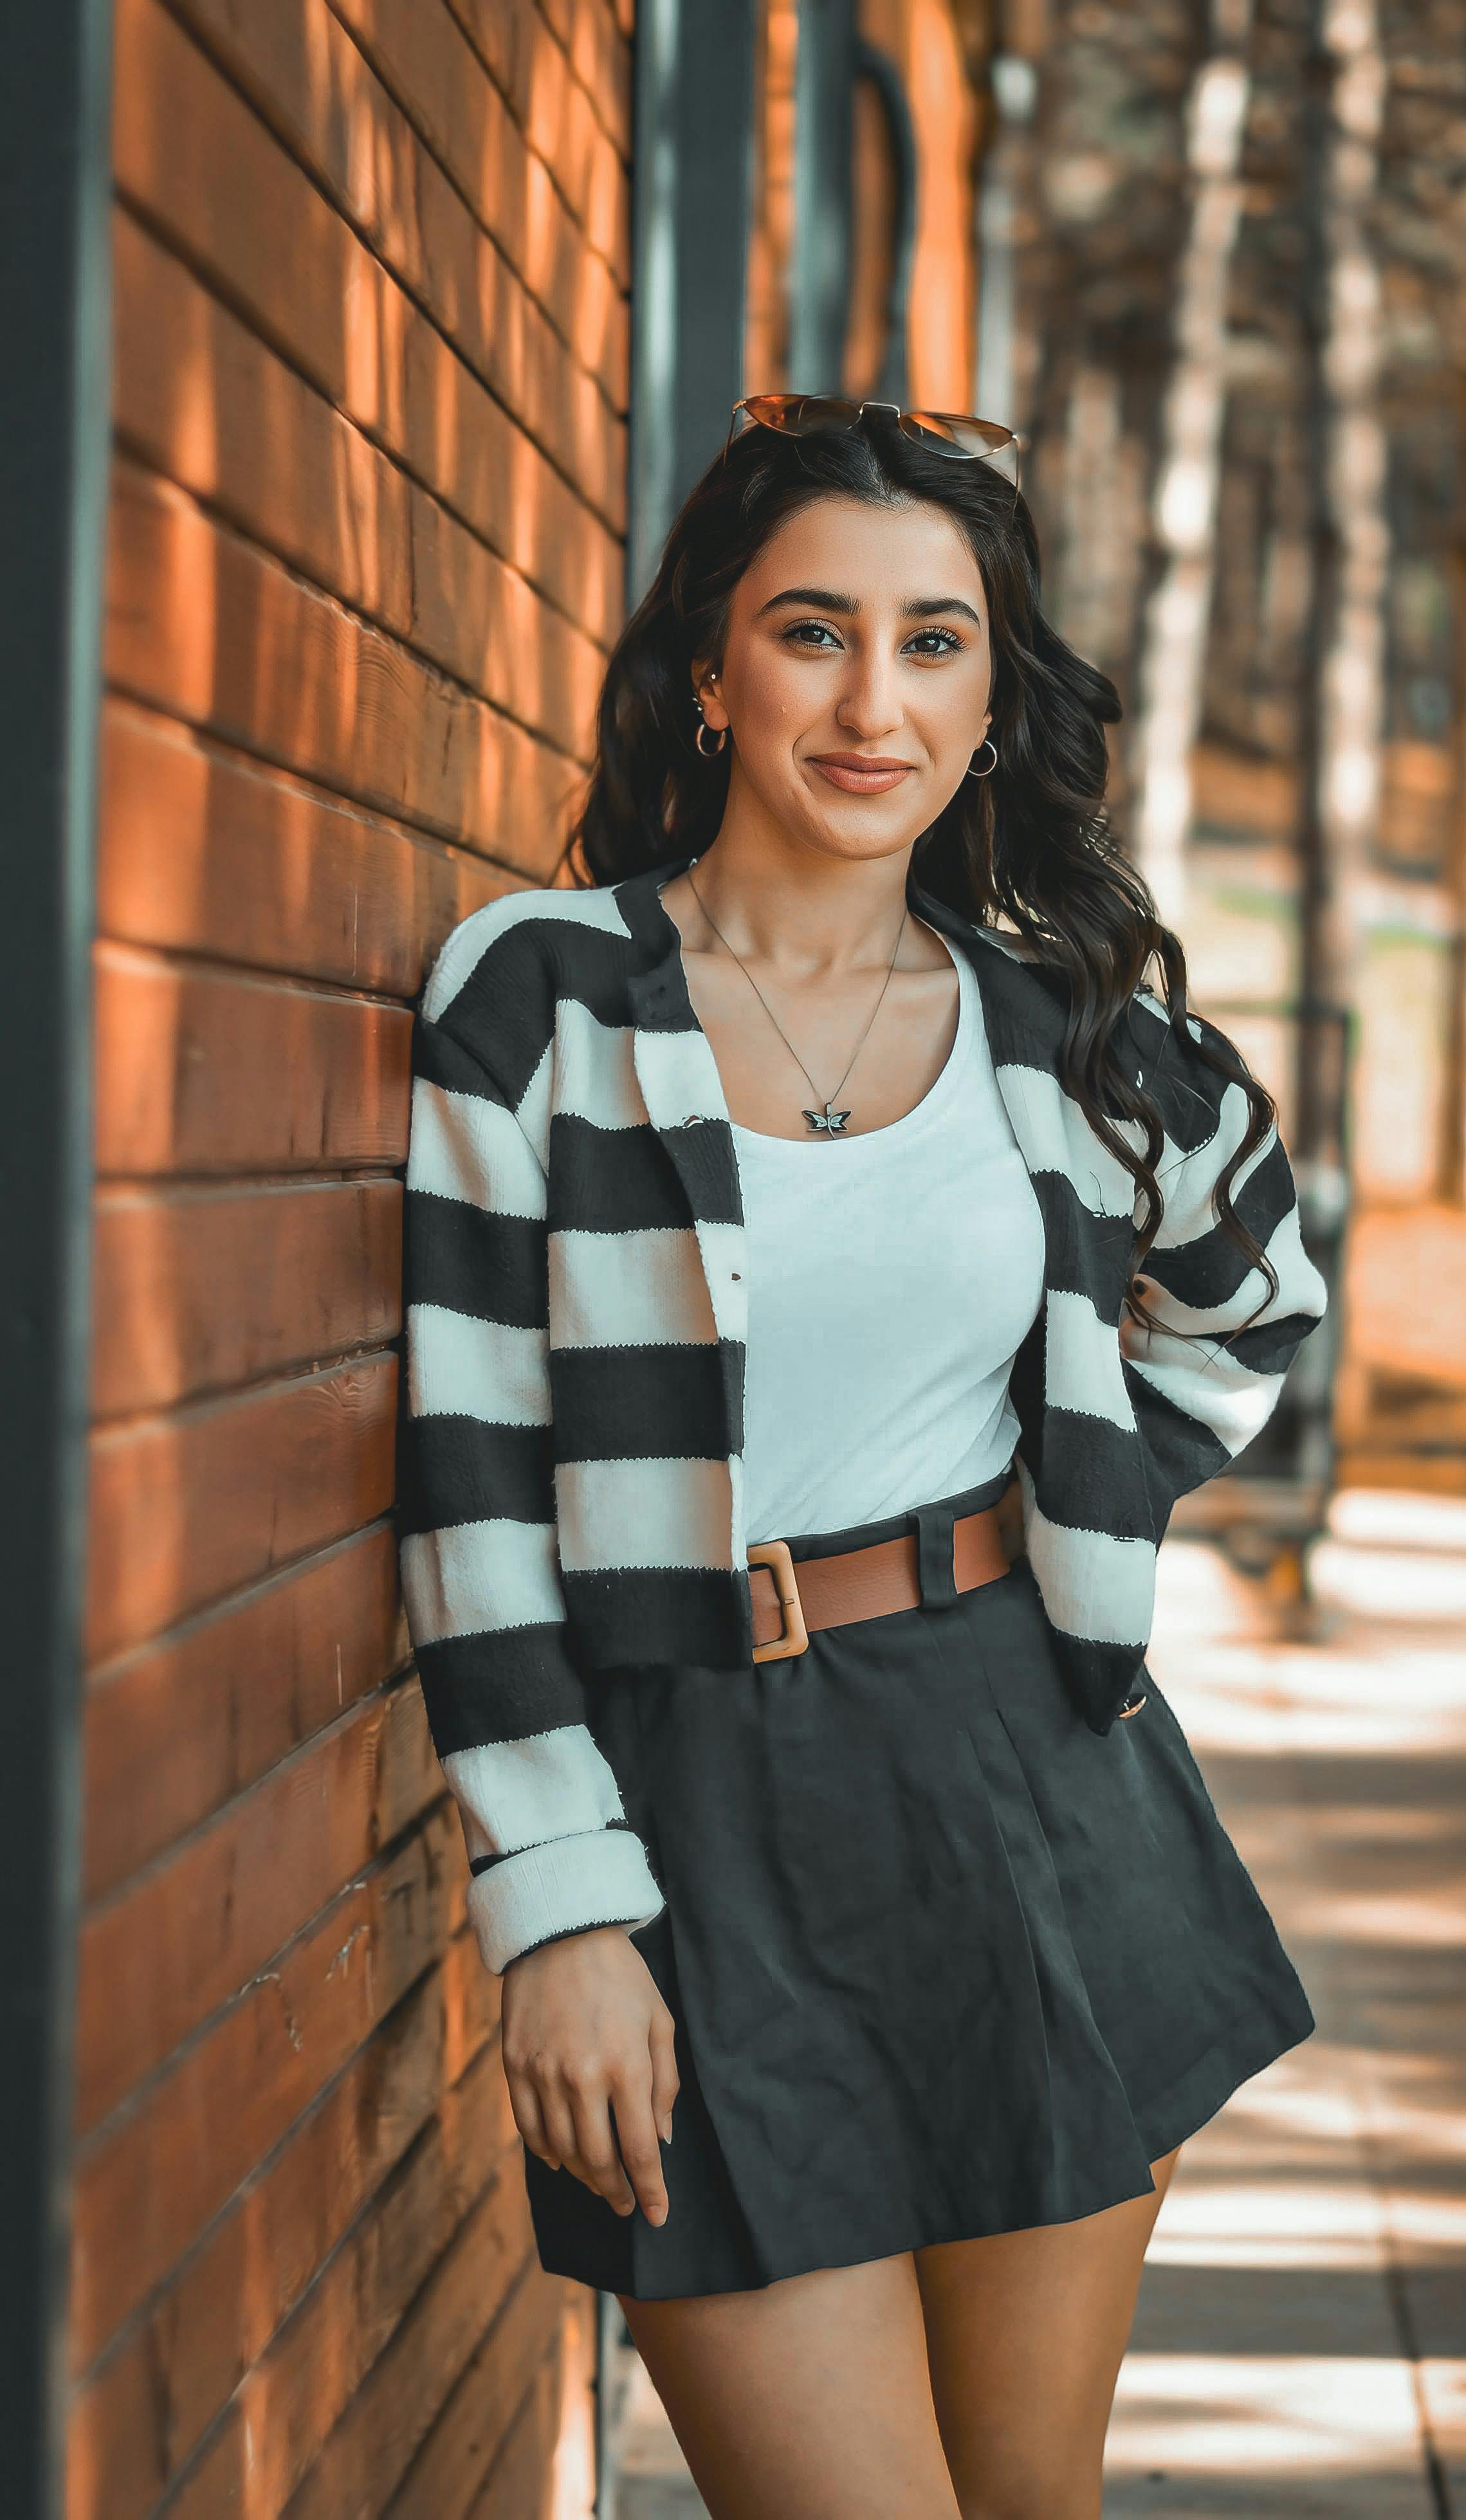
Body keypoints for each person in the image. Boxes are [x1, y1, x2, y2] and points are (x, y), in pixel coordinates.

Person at [398, 395, 1328, 2519]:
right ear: (709, 671)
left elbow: (1253, 1305)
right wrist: (555, 1909)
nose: (870, 699)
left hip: (1025, 1772)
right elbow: (467, 1484)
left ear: (994, 699)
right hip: (689, 1797)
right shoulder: (543, 999)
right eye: (812, 631)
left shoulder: (1065, 1029)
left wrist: (1071, 1490)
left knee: (1028, 2504)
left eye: (934, 642)